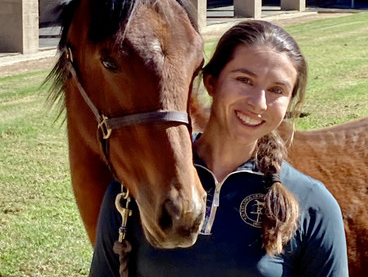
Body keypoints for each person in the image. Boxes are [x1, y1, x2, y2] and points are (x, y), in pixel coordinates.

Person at [89, 20, 349, 276]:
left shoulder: (313, 204)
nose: (259, 103)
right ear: (211, 82)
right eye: (245, 80)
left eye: (276, 90)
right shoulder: (133, 192)